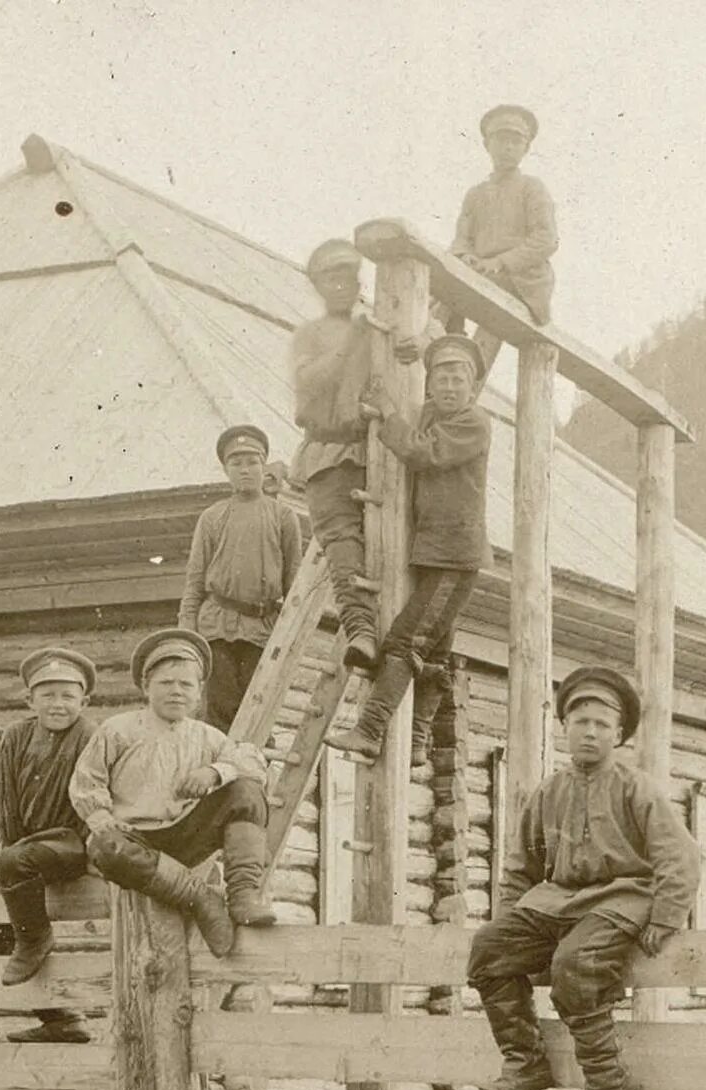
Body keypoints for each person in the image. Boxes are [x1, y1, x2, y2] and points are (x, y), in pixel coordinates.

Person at [467, 666, 696, 1090]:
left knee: (576, 963)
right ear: (565, 728)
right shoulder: (549, 792)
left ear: (619, 735)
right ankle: (526, 1061)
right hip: (557, 902)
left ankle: (608, 1082)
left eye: (602, 725)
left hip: (621, 899)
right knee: (489, 949)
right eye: (581, 722)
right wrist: (516, 932)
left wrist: (666, 916)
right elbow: (520, 869)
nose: (590, 732)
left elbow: (681, 857)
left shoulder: (637, 789)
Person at [329, 334, 490, 764]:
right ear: (430, 384)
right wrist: (410, 351)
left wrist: (388, 412)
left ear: (473, 388)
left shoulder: (474, 422)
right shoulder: (430, 413)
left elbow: (423, 453)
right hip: (432, 551)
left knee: (406, 641)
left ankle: (369, 729)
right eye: (442, 377)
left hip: (454, 555)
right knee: (435, 651)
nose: (451, 386)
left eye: (460, 379)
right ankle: (418, 740)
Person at [69, 629, 276, 957]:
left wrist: (214, 772)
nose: (176, 692)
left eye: (186, 685)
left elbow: (251, 762)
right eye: (166, 683)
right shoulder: (118, 729)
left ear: (198, 693)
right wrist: (103, 817)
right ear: (146, 687)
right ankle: (201, 897)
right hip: (135, 840)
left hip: (185, 837)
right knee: (104, 846)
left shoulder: (208, 737)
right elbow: (86, 781)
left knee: (246, 790)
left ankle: (242, 895)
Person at [289, 239, 391, 673]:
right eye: (331, 278)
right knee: (342, 543)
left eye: (348, 277)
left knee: (388, 546)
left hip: (376, 453)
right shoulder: (310, 334)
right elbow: (309, 382)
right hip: (327, 453)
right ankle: (360, 630)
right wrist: (353, 339)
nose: (341, 286)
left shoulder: (377, 325)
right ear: (318, 285)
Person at [0, 646, 99, 1043]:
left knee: (23, 918)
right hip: (28, 849)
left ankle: (35, 939)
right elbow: (7, 802)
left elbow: (97, 798)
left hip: (73, 843)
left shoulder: (91, 735)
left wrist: (92, 852)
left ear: (84, 701)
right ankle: (61, 1018)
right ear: (29, 700)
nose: (58, 704)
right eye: (48, 695)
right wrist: (7, 857)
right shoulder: (16, 736)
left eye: (68, 696)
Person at [180, 425, 306, 731]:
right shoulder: (212, 517)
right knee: (220, 711)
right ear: (226, 471)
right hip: (216, 628)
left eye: (252, 462)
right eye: (236, 464)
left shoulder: (282, 516)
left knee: (257, 707)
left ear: (264, 467)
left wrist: (290, 632)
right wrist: (186, 632)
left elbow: (294, 584)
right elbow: (195, 579)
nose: (245, 470)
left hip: (262, 629)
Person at [448, 103, 556, 337]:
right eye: (501, 140)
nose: (508, 147)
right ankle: (452, 346)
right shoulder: (475, 194)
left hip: (523, 280)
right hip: (481, 274)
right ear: (487, 144)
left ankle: (459, 352)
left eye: (515, 142)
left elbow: (546, 239)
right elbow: (460, 240)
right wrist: (465, 256)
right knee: (437, 287)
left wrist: (499, 262)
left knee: (459, 291)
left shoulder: (532, 188)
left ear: (526, 148)